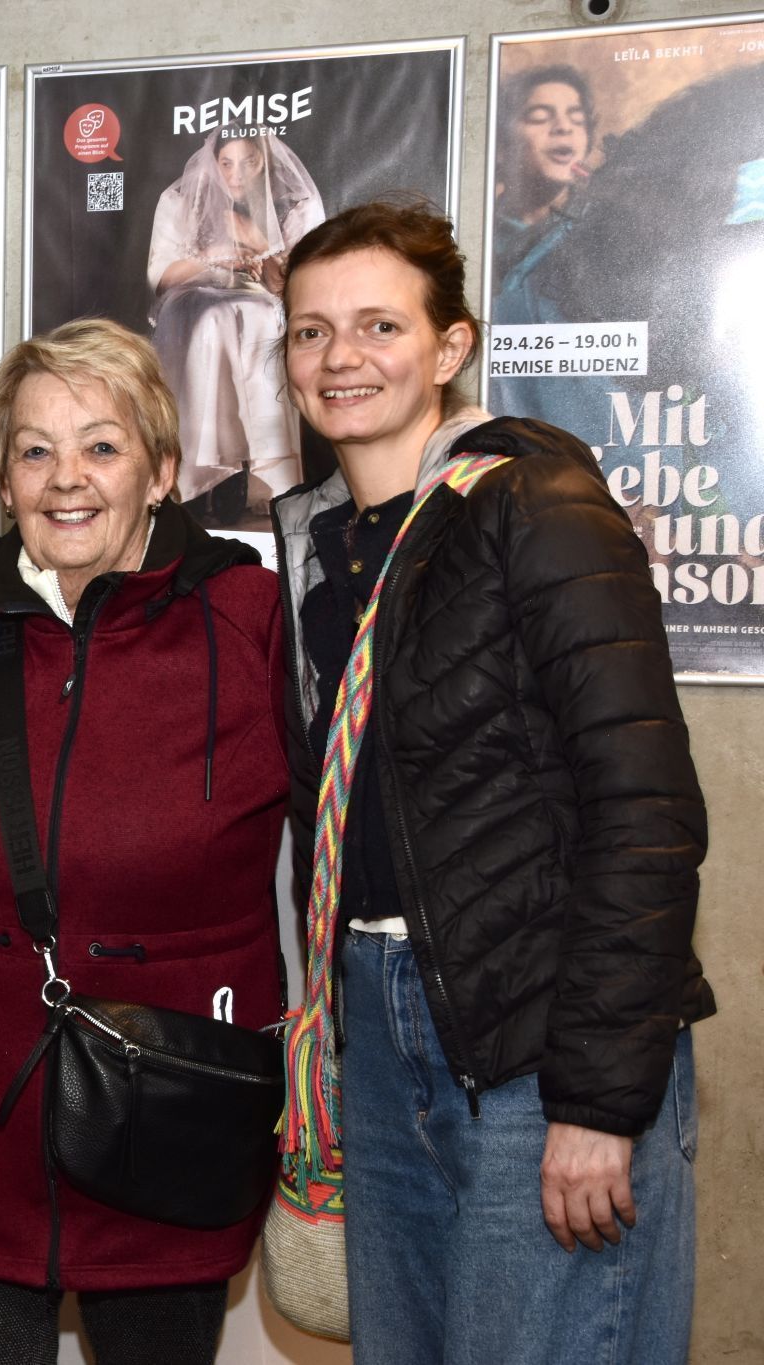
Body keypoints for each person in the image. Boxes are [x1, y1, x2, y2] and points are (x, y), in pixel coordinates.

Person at [272, 201, 711, 1364]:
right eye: (309, 333)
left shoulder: (535, 506)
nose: (339, 358)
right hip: (379, 1022)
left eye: (376, 326)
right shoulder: (322, 554)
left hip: (536, 1039)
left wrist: (597, 1100)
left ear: (450, 346)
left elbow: (645, 811)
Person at [0, 318, 289, 1365]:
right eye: (34, 449)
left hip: (169, 1098)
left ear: (160, 470)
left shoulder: (251, 619)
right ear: (4, 479)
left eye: (101, 446)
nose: (66, 479)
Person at [147, 132, 324, 523]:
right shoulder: (180, 200)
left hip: (262, 302)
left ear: (264, 162)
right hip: (194, 299)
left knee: (261, 316)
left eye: (249, 162)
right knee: (212, 319)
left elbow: (297, 286)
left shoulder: (291, 205)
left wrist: (258, 242)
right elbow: (161, 276)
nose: (236, 173)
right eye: (226, 162)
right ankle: (203, 474)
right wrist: (214, 259)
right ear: (211, 162)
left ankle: (255, 474)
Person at [486, 66, 597, 435]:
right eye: (538, 117)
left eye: (576, 119)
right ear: (501, 146)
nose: (564, 128)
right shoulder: (473, 235)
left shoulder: (601, 232)